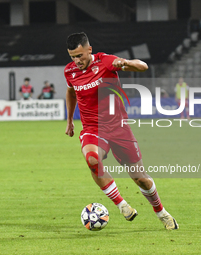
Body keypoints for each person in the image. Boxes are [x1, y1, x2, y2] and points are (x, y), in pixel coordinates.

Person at [64, 32, 178, 230]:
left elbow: (143, 67)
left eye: (80, 55)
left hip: (118, 128)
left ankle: (162, 213)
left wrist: (125, 63)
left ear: (89, 50)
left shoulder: (106, 61)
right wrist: (70, 121)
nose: (77, 60)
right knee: (92, 159)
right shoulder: (70, 72)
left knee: (140, 178)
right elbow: (71, 91)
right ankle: (122, 205)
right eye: (73, 56)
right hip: (92, 127)